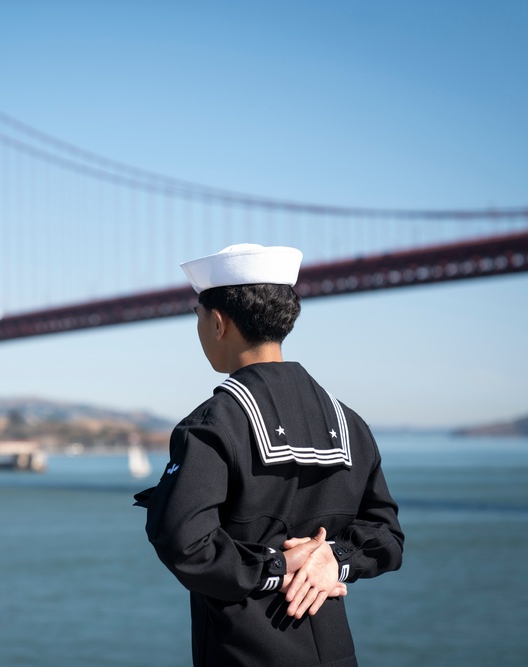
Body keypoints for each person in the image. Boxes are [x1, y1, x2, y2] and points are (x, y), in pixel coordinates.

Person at [134, 243, 404, 667]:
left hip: (244, 654)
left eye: (199, 318)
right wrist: (336, 558)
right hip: (336, 655)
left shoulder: (211, 424)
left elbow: (184, 544)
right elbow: (387, 536)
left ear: (218, 323)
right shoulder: (350, 423)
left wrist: (275, 566)